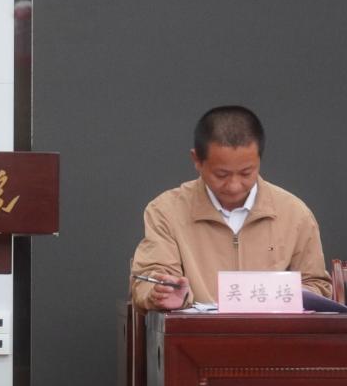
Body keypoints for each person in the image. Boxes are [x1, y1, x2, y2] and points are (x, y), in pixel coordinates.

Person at [130, 106, 331, 311]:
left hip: (274, 330)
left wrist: (287, 297)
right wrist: (164, 292)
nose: (234, 186)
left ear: (259, 160)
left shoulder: (294, 213)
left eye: (246, 173)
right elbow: (149, 278)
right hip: (198, 331)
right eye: (221, 175)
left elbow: (317, 284)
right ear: (197, 160)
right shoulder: (167, 211)